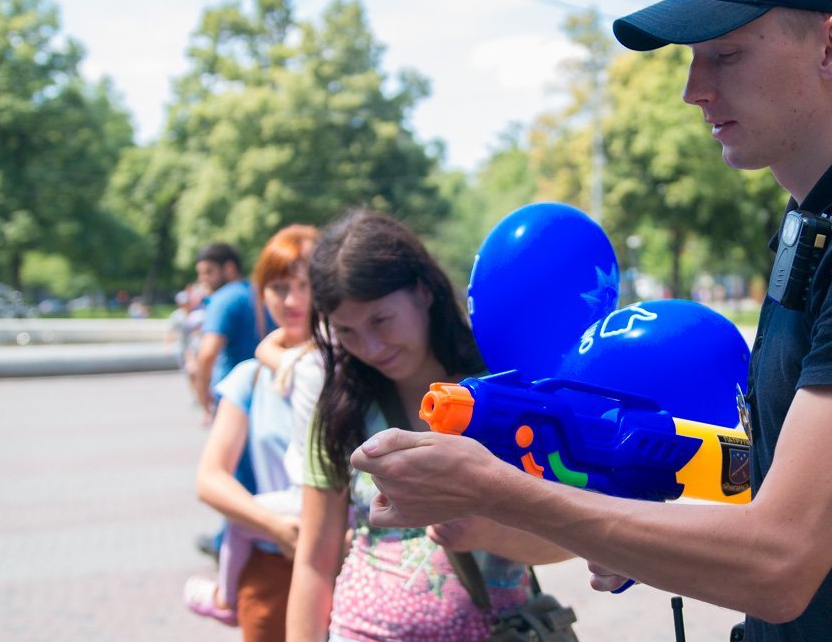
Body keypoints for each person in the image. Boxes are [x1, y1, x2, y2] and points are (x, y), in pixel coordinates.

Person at [349, 0, 832, 641]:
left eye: (725, 54)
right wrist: (634, 517)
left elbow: (780, 560)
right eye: (692, 57)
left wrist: (498, 491)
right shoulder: (822, 220)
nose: (693, 88)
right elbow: (773, 483)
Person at [286, 209, 571, 642]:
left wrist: (489, 533)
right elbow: (313, 562)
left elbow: (575, 535)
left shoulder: (505, 393)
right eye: (346, 331)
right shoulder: (340, 407)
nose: (371, 347)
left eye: (380, 320)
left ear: (423, 291)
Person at [185, 224, 319, 641]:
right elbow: (210, 480)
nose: (293, 300)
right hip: (273, 566)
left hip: (353, 564)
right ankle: (224, 597)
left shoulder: (359, 370)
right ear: (262, 293)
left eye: (306, 285)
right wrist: (276, 527)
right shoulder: (251, 378)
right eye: (279, 288)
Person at [194, 242, 275, 420]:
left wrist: (202, 395)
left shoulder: (224, 298)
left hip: (233, 397)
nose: (202, 279)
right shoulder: (262, 293)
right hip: (267, 391)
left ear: (229, 268)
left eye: (208, 272)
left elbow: (207, 353)